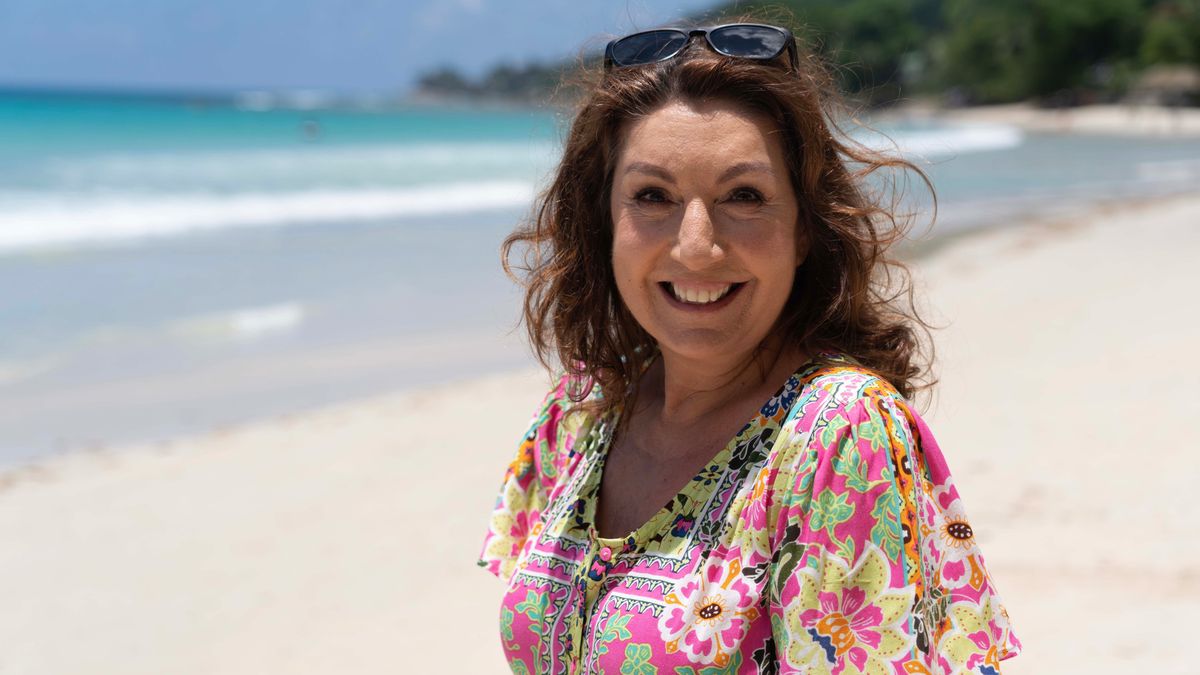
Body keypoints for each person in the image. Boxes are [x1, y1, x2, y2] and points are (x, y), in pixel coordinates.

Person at [478, 20, 1021, 674]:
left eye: (744, 196)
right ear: (605, 221)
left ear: (802, 228)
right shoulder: (582, 410)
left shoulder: (839, 435)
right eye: (653, 196)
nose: (696, 244)